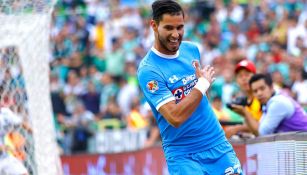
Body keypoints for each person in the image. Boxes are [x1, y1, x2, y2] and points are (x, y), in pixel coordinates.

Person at [137, 1, 242, 174]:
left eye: (180, 28)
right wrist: (201, 84)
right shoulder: (149, 70)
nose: (175, 34)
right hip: (183, 155)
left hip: (216, 143)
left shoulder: (191, 50)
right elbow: (175, 117)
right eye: (169, 28)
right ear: (154, 26)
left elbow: (200, 95)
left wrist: (201, 86)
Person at [240, 73, 307, 136]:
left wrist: (245, 113)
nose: (259, 93)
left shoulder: (278, 102)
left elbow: (261, 134)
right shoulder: (268, 102)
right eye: (255, 91)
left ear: (271, 87)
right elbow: (260, 127)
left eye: (262, 88)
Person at [224, 60, 262, 138]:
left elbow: (261, 126)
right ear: (236, 80)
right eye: (240, 76)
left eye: (247, 75)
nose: (244, 78)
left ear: (255, 76)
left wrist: (236, 128)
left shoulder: (261, 97)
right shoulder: (245, 101)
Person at [0, 107, 28, 175]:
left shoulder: (5, 113)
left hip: (3, 157)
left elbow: (20, 122)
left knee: (23, 173)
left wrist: (34, 131)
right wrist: (5, 148)